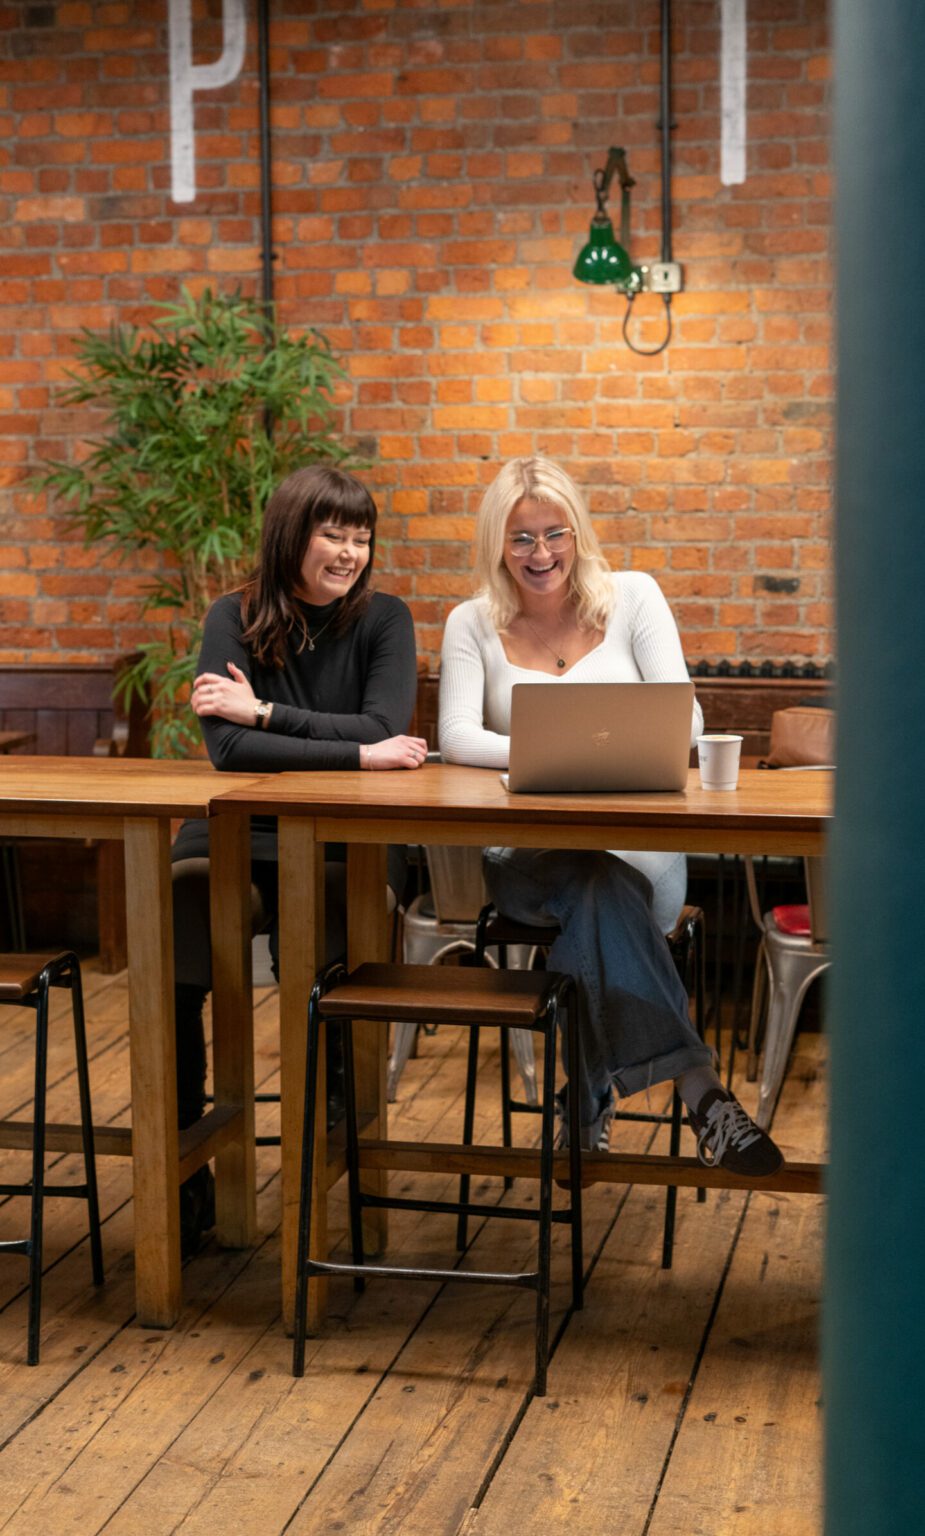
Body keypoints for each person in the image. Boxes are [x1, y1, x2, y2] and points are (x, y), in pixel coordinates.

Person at [438, 455, 782, 1176]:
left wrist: (571, 752)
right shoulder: (471, 622)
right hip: (528, 859)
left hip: (640, 853)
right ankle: (700, 1090)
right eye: (520, 538)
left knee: (600, 887)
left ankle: (587, 1097)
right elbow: (457, 737)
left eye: (554, 534)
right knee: (593, 886)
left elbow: (686, 719)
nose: (540, 553)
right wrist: (551, 754)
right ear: (496, 544)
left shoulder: (633, 597)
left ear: (577, 533)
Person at [171, 464, 428, 1250]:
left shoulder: (385, 620)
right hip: (237, 827)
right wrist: (353, 751)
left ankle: (334, 1127)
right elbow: (228, 749)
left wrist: (265, 710)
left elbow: (384, 728)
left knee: (323, 931)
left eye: (361, 538)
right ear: (291, 536)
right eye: (333, 535)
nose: (350, 553)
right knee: (178, 914)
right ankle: (184, 1158)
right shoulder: (233, 616)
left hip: (347, 834)